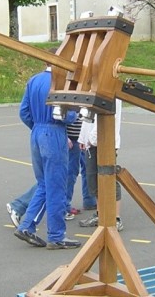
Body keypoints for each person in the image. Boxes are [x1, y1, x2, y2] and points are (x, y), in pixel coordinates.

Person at [13, 57, 81, 250]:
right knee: (57, 185)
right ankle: (56, 235)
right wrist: (75, 113)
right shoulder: (61, 83)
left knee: (44, 183)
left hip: (36, 132)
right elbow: (66, 116)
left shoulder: (34, 80)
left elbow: (24, 112)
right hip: (54, 132)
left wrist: (37, 129)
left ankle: (27, 225)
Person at [78, 99, 124, 231]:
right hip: (91, 143)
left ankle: (116, 217)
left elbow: (110, 117)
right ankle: (100, 213)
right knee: (94, 181)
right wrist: (83, 137)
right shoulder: (93, 89)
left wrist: (92, 139)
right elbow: (87, 117)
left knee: (109, 179)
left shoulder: (112, 94)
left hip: (105, 141)